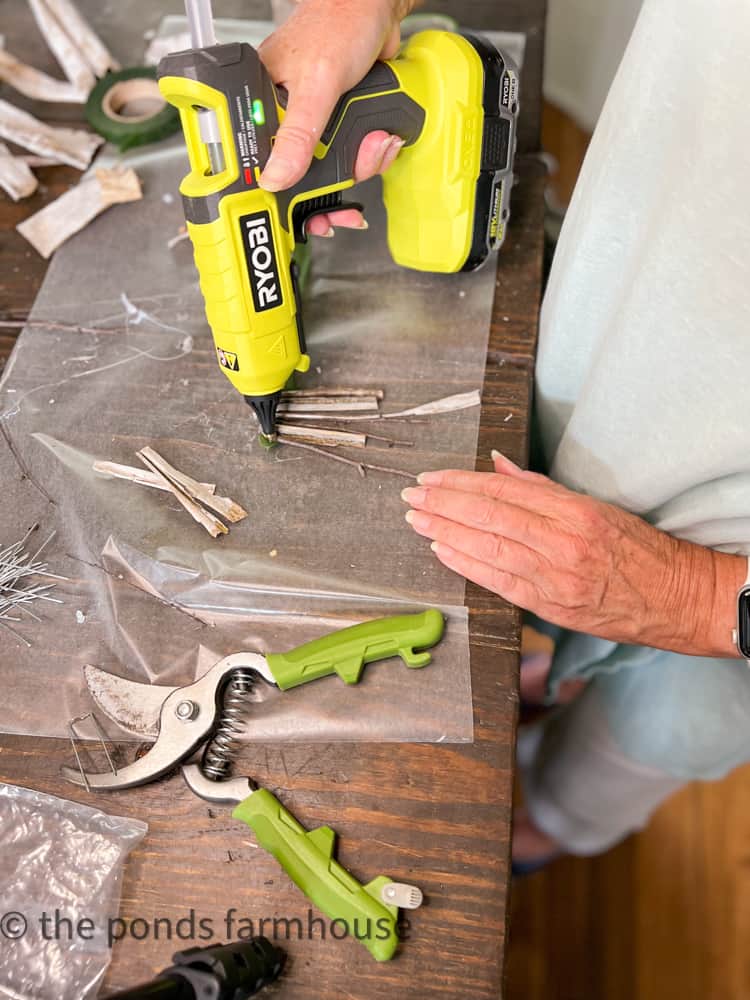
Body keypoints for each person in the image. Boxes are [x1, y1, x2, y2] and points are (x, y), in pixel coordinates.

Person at [259, 0, 750, 864]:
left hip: (730, 605)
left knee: (679, 721)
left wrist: (698, 598)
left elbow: (694, 606)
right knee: (535, 612)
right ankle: (550, 671)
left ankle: (550, 826)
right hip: (614, 345)